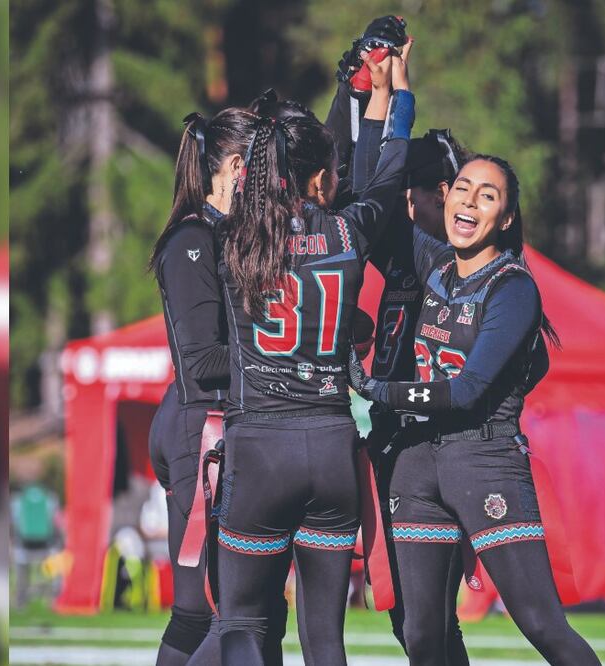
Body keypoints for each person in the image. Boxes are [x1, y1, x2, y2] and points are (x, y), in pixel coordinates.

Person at [205, 45, 413, 666]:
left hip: (261, 445)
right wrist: (392, 93)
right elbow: (389, 171)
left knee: (241, 624)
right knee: (326, 643)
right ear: (321, 177)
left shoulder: (231, 232)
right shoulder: (348, 231)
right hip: (329, 446)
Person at [349, 155, 601, 666]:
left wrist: (377, 390)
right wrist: (386, 99)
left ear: (505, 218)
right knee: (422, 634)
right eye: (462, 188)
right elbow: (366, 199)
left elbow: (467, 391)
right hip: (415, 465)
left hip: (485, 461)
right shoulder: (434, 263)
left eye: (487, 195)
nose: (469, 201)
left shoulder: (513, 287)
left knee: (541, 624)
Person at [147, 106, 287, 666]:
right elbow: (203, 358)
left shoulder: (228, 235)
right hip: (198, 428)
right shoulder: (192, 239)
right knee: (226, 613)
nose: (275, 184)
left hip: (216, 425)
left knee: (207, 612)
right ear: (234, 166)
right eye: (265, 169)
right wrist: (287, 356)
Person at [355, 125, 472, 662]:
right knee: (413, 618)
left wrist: (395, 102)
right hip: (394, 440)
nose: (403, 205)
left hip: (431, 449)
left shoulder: (456, 263)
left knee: (427, 621)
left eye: (414, 193)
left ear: (445, 193)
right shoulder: (407, 252)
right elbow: (363, 199)